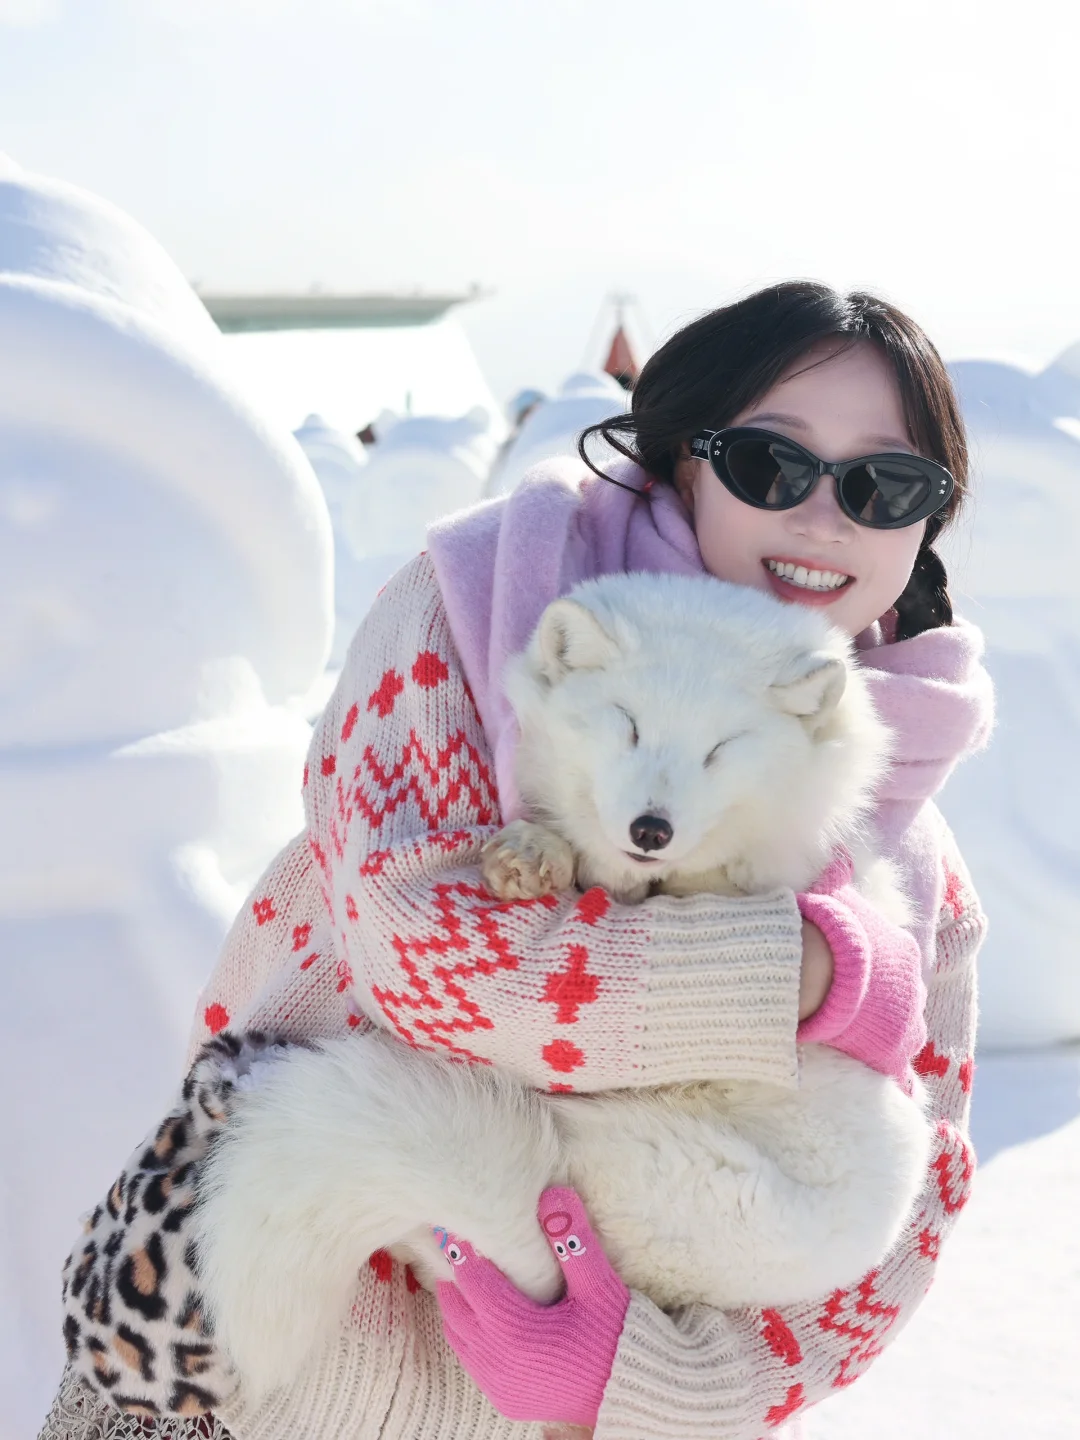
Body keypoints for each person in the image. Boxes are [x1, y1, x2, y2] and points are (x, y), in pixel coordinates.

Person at [45, 282, 993, 1440]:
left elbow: (917, 1201)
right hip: (259, 1369)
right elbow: (429, 961)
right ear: (685, 459)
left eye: (884, 485)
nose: (823, 518)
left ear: (924, 524)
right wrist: (806, 976)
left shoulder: (904, 815)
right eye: (770, 464)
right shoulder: (481, 612)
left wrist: (654, 1385)